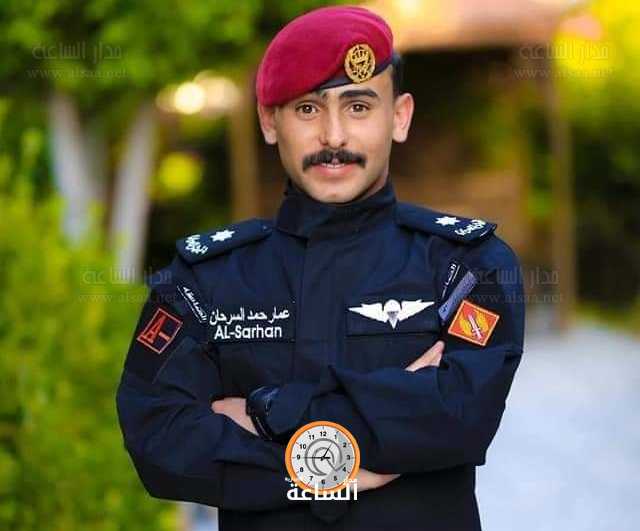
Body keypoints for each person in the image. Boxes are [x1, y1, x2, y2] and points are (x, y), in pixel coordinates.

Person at [115, 5, 525, 530]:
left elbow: (460, 417)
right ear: (269, 122)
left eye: (358, 106)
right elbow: (158, 436)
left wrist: (264, 414)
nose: (333, 136)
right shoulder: (205, 280)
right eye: (307, 109)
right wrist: (322, 467)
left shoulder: (465, 266)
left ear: (399, 117)